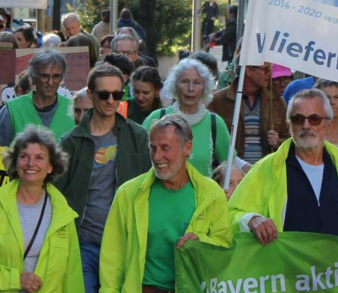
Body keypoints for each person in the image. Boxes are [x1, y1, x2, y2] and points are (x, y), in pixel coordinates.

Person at [229, 88, 338, 247]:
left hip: (334, 276)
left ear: (328, 124)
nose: (306, 126)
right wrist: (252, 220)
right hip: (284, 275)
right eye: (298, 119)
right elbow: (231, 215)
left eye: (314, 119)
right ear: (289, 126)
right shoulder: (267, 168)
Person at [99, 114, 232, 293]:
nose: (157, 156)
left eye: (165, 148)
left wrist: (201, 242)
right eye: (152, 148)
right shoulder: (128, 193)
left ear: (187, 148)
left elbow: (224, 250)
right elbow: (112, 258)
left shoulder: (211, 194)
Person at [55, 65, 151, 293]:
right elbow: (56, 193)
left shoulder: (137, 136)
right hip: (84, 241)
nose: (110, 100)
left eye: (117, 94)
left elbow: (151, 186)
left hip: (125, 242)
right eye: (103, 94)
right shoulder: (71, 140)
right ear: (90, 94)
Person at [0, 126, 84, 293]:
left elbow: (72, 275)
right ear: (15, 162)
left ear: (51, 166)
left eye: (39, 158)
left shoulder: (63, 214)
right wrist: (15, 279)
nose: (31, 163)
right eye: (24, 156)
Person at [143, 59, 248, 177]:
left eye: (197, 83)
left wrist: (257, 169)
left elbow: (230, 161)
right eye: (184, 82)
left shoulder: (214, 122)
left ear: (205, 88)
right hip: (161, 193)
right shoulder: (157, 118)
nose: (191, 88)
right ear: (174, 85)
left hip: (202, 194)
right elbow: (139, 158)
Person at [0, 51, 75, 146]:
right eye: (44, 76)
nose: (50, 82)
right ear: (33, 78)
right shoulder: (13, 110)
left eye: (56, 76)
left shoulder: (73, 109)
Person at [208, 62, 287, 165]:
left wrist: (278, 142)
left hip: (265, 172)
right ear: (249, 70)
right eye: (266, 70)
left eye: (270, 70)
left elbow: (290, 140)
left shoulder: (276, 101)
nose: (269, 74)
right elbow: (208, 142)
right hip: (233, 175)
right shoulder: (219, 101)